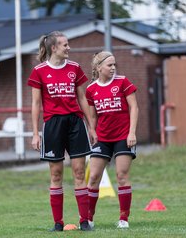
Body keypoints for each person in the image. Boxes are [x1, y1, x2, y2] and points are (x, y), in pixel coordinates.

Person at [27, 31, 97, 232]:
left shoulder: (74, 68)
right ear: (53, 48)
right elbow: (35, 103)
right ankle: (57, 223)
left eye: (68, 44)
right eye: (65, 45)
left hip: (75, 123)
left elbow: (82, 99)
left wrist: (91, 127)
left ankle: (84, 222)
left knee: (79, 171)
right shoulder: (39, 71)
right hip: (53, 125)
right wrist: (34, 133)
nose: (69, 48)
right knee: (56, 174)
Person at [85, 51, 138, 229]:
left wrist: (132, 133)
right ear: (98, 67)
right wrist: (92, 131)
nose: (113, 68)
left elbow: (134, 107)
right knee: (93, 177)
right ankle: (88, 219)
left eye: (114, 64)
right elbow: (92, 116)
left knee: (121, 176)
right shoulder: (91, 89)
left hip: (123, 136)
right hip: (103, 138)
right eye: (109, 65)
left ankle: (124, 219)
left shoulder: (123, 82)